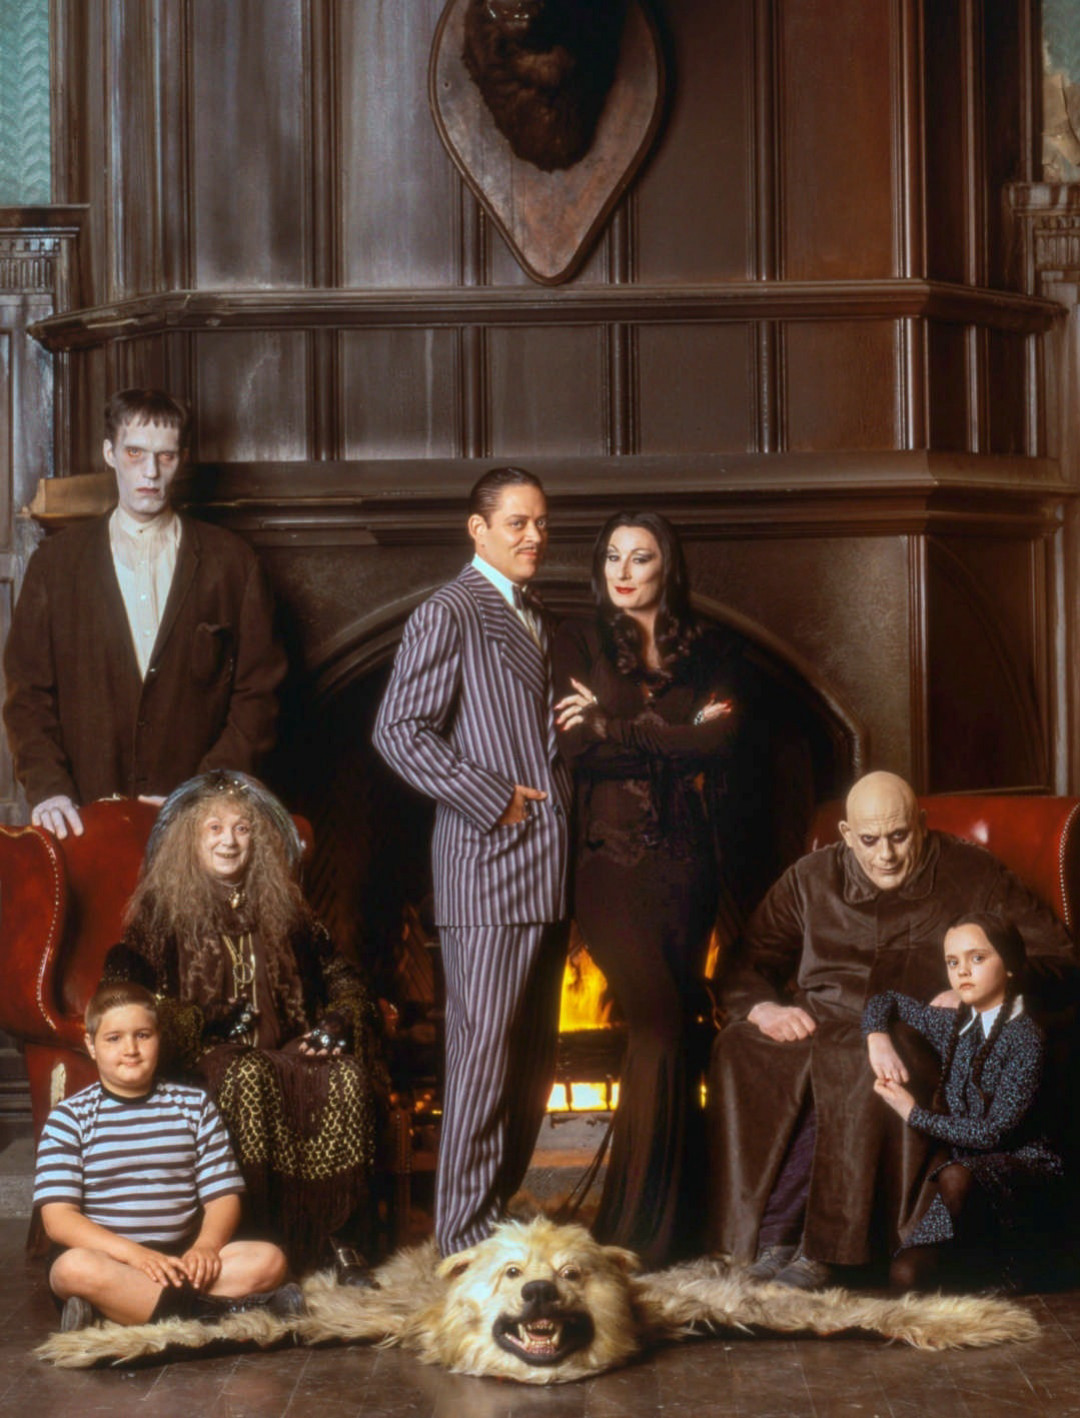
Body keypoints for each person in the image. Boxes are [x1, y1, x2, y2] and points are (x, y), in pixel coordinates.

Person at [708, 770, 1076, 1290]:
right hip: (821, 1020)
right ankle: (758, 1240)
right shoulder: (808, 879)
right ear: (845, 834)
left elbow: (1057, 958)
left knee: (860, 1060)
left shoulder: (973, 871)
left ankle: (824, 1250)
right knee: (741, 1045)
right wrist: (762, 1008)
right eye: (869, 840)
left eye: (900, 836)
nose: (886, 855)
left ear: (921, 824)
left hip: (914, 1027)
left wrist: (975, 993)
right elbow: (747, 961)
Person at [373, 465, 571, 1258]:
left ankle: (494, 1217)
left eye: (542, 522)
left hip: (547, 870)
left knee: (528, 1063)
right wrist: (492, 797)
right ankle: (460, 1243)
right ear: (478, 529)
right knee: (483, 1061)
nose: (535, 536)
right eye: (518, 523)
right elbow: (397, 731)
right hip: (488, 867)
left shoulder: (535, 613)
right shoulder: (449, 611)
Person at [101, 770, 381, 1274]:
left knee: (345, 1075)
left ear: (258, 839)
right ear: (192, 838)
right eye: (214, 828)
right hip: (204, 1056)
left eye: (241, 829)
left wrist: (339, 1019)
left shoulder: (288, 908)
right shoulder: (162, 909)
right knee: (246, 1074)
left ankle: (337, 1241)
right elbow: (123, 986)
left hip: (287, 1048)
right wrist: (202, 1019)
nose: (228, 841)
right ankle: (254, 1239)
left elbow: (343, 976)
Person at [552, 511, 738, 1266]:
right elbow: (575, 749)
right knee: (657, 1021)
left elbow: (718, 740)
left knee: (683, 1027)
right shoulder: (578, 641)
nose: (624, 572)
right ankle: (638, 1230)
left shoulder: (710, 647)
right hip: (610, 865)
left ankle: (684, 1225)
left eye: (641, 557)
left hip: (688, 865)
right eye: (613, 558)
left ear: (668, 567)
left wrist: (613, 727)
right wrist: (666, 736)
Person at [3, 387, 286, 839]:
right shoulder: (53, 565)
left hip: (197, 826)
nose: (151, 472)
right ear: (109, 453)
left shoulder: (234, 563)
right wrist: (49, 788)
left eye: (165, 456)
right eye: (135, 452)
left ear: (182, 459)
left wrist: (200, 793)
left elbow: (258, 697)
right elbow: (28, 695)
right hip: (80, 819)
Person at [34, 980, 297, 1331]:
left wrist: (206, 1247)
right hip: (111, 1257)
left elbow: (223, 1197)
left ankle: (122, 1307)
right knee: (73, 1269)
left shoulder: (194, 1106)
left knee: (268, 1260)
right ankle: (223, 1311)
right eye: (114, 1038)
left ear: (159, 1037)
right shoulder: (69, 1118)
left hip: (180, 1257)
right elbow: (58, 1219)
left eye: (143, 1035)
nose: (131, 1049)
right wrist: (134, 1255)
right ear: (91, 1045)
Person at [865, 912, 1063, 1291]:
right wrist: (877, 1038)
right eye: (953, 962)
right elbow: (886, 1000)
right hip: (964, 1182)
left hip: (1023, 1176)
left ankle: (1016, 1264)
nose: (963, 971)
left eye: (978, 958)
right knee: (904, 1276)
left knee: (956, 1175)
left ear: (1009, 965)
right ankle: (973, 1267)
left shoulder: (1026, 1039)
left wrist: (912, 1113)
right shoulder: (954, 1027)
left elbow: (993, 1134)